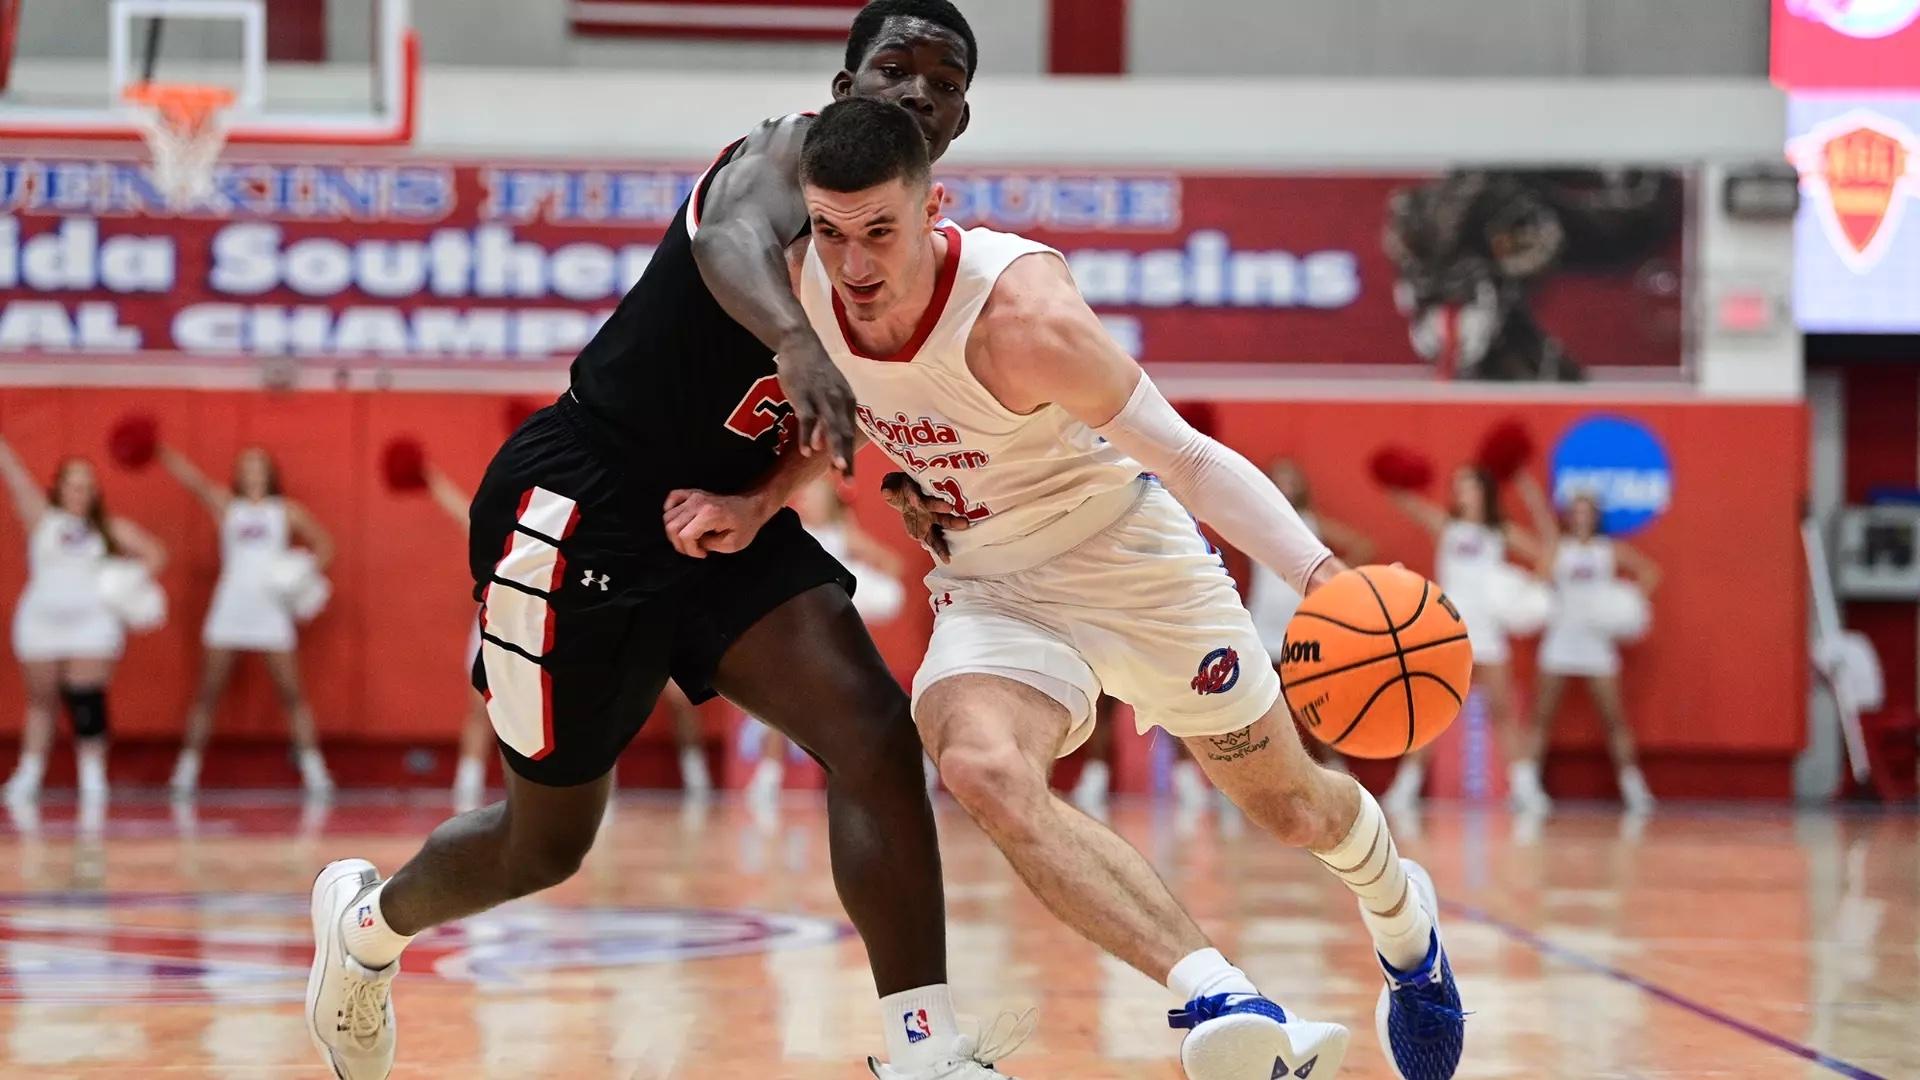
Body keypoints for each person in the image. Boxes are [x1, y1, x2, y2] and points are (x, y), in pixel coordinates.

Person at [305, 6, 1021, 1079]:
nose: (919, 91)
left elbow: (854, 411)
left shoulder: (918, 244)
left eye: (944, 80)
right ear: (844, 87)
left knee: (875, 733)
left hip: (724, 518)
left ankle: (926, 1052)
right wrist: (793, 341)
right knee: (545, 846)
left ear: (961, 117)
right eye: (895, 67)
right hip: (584, 501)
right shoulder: (779, 159)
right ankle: (367, 929)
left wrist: (778, 501)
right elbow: (729, 241)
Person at [696, 97, 1464, 1080]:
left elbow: (1188, 458)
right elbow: (841, 405)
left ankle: (1404, 923)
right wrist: (760, 502)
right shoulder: (804, 289)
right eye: (832, 232)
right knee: (978, 765)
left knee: (1293, 810)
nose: (853, 264)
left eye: (879, 231)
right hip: (990, 584)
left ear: (933, 209)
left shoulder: (1025, 317)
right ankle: (1219, 994)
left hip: (1128, 559)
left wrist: (1320, 577)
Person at [161, 445, 336, 797]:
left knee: (292, 693)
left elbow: (326, 545)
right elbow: (195, 482)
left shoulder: (286, 511)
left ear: (270, 473)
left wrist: (300, 575)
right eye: (247, 467)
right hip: (231, 607)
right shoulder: (229, 507)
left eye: (259, 467)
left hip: (271, 610)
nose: (253, 474)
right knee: (208, 692)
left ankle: (316, 773)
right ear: (238, 474)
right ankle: (185, 772)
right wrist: (160, 451)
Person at [1, 435, 166, 805]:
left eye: (87, 486)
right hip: (41, 622)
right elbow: (14, 475)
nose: (80, 492)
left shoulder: (108, 529)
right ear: (59, 487)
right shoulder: (42, 519)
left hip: (92, 625)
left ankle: (93, 778)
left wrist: (124, 582)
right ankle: (29, 774)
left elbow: (156, 553)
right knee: (41, 701)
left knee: (86, 698)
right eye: (73, 484)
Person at [1381, 465, 1548, 814]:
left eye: (1469, 486)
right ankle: (1404, 788)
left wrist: (1521, 595)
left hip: (1489, 634)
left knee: (1503, 712)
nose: (1462, 493)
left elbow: (1548, 555)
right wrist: (1398, 471)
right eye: (1458, 487)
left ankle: (1524, 789)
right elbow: (1403, 500)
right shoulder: (1447, 527)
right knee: (1433, 712)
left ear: (1484, 492)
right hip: (1451, 632)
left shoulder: (1500, 532)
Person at [747, 472, 909, 806]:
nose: (805, 502)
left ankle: (902, 766)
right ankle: (770, 774)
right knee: (782, 696)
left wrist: (858, 582)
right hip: (801, 634)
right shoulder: (797, 536)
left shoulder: (842, 535)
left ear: (829, 502)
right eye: (804, 497)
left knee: (858, 701)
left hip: (832, 634)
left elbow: (894, 567)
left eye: (812, 497)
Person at [1529, 491, 1660, 813]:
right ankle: (1526, 787)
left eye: (1587, 511)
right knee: (1541, 716)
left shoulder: (1608, 550)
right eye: (1575, 511)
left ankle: (1634, 789)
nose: (1581, 517)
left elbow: (1650, 572)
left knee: (1614, 718)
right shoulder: (1559, 548)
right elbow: (1540, 579)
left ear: (1596, 516)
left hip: (1597, 642)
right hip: (1561, 638)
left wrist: (1626, 607)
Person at [1245, 458, 1375, 774]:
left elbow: (1364, 546)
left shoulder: (1311, 523)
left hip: (1300, 625)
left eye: (1291, 480)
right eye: (1279, 480)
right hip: (1261, 623)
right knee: (1255, 703)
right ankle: (1253, 773)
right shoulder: (1254, 518)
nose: (1286, 486)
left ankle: (1337, 770)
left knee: (1312, 703)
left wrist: (1332, 585)